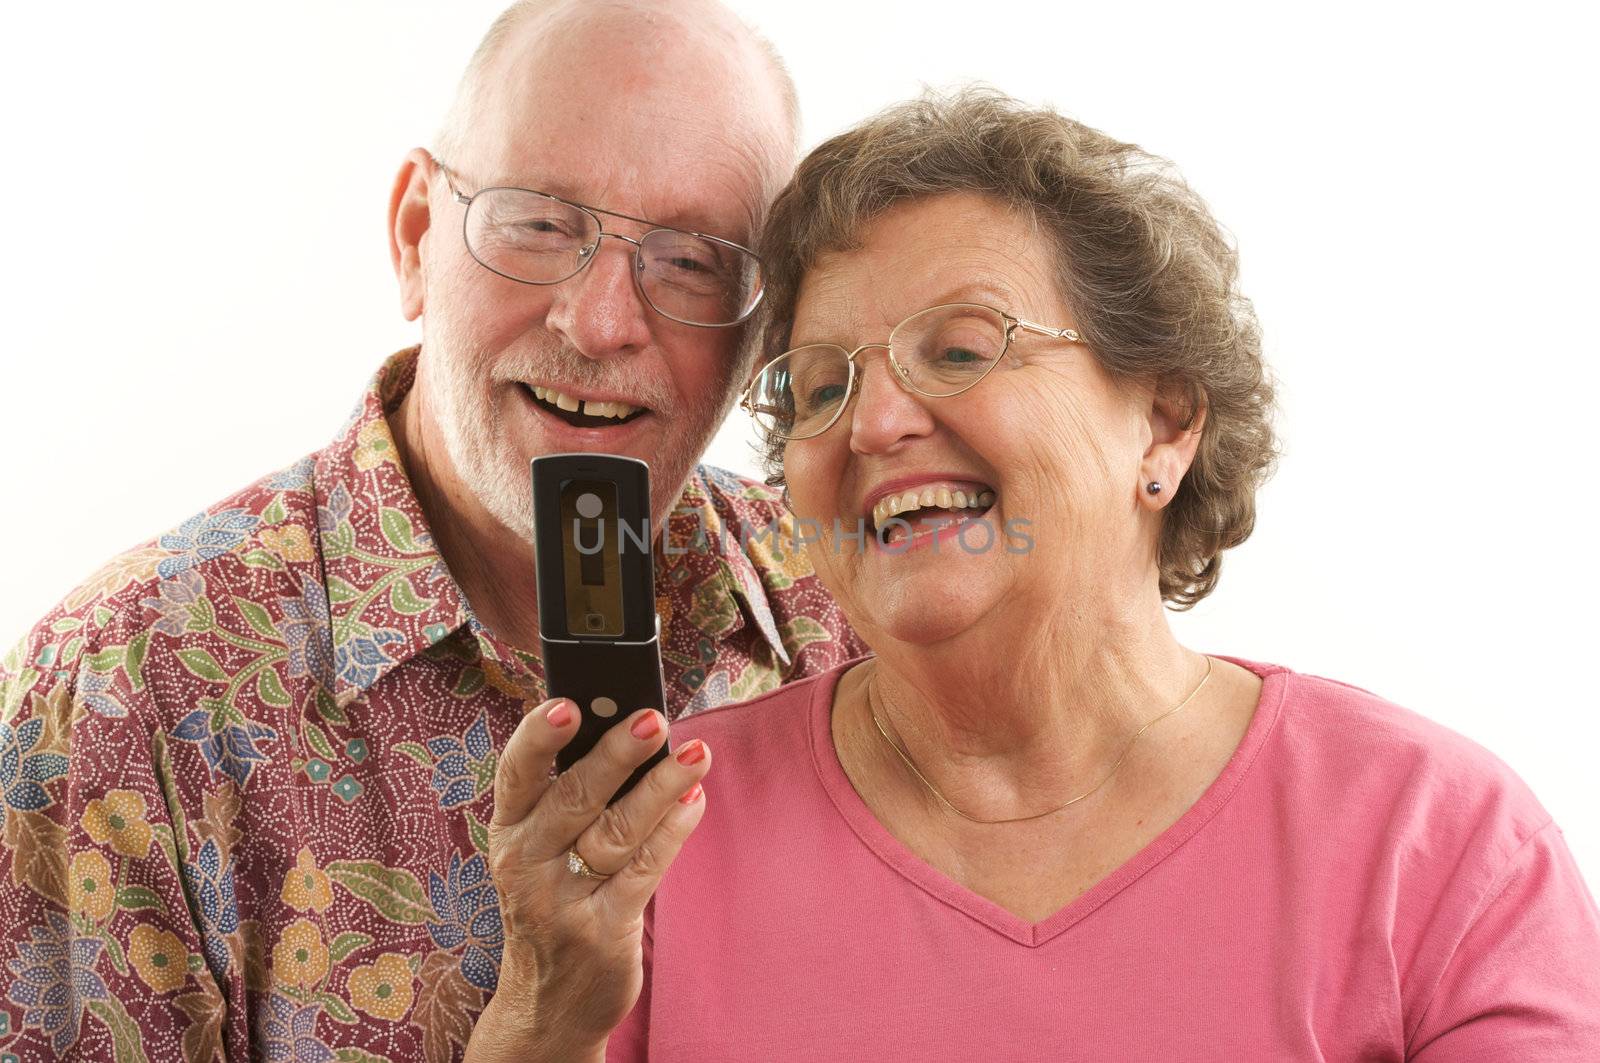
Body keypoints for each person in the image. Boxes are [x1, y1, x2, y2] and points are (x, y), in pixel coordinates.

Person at [485, 89, 1600, 1061]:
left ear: (1162, 425)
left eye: (963, 349)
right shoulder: (658, 833)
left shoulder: (1437, 841)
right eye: (819, 386)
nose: (869, 421)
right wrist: (541, 1024)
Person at [0, 1, 864, 1056]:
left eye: (691, 260)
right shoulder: (119, 697)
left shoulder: (848, 601)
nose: (600, 323)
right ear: (415, 235)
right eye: (541, 224)